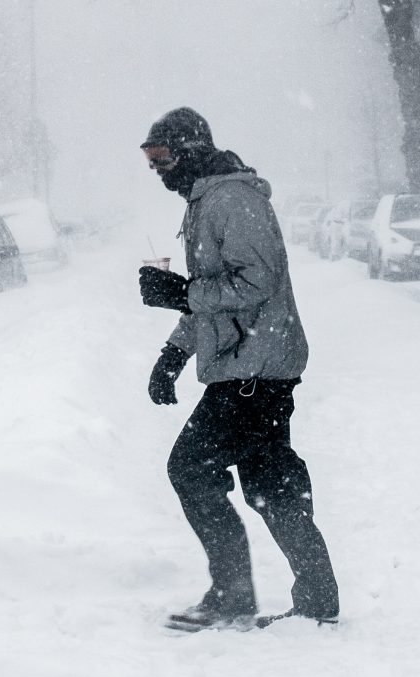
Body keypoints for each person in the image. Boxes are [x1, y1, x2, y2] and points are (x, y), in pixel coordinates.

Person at [137, 107, 339, 631]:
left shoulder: (233, 199)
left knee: (190, 468)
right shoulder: (206, 202)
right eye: (149, 159)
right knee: (270, 482)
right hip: (250, 365)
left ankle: (233, 595)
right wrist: (173, 355)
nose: (156, 169)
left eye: (162, 157)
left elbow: (257, 283)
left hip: (254, 368)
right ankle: (316, 600)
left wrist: (181, 292)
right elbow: (214, 300)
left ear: (191, 151)